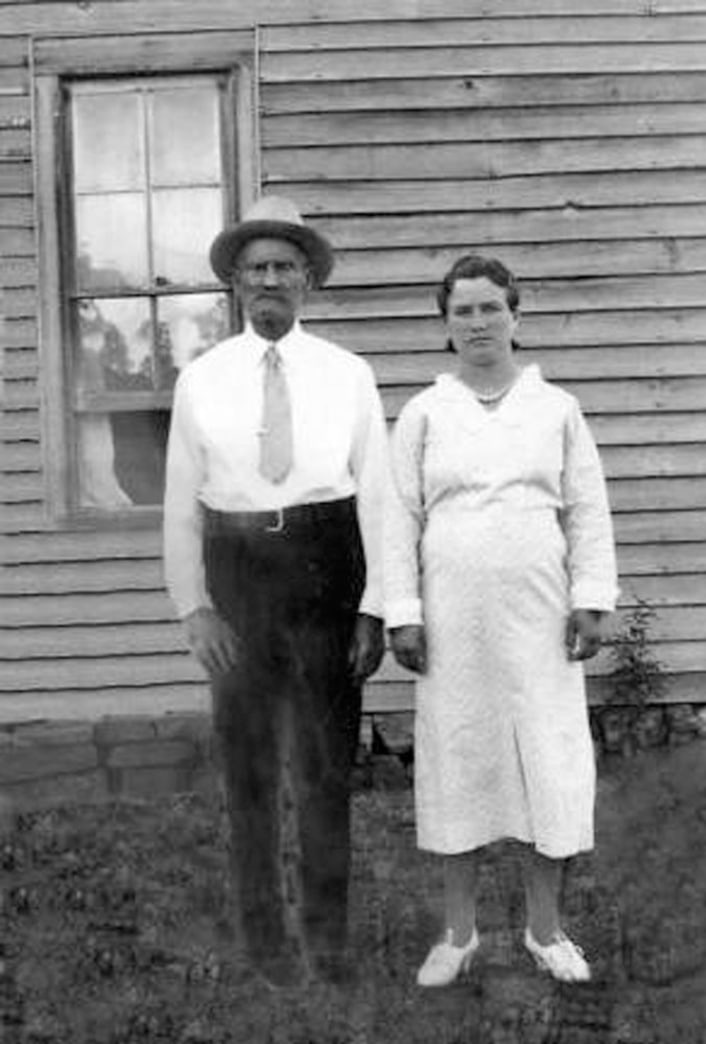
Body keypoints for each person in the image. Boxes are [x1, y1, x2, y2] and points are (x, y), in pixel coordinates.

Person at [163, 195, 388, 987]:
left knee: (327, 767)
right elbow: (181, 506)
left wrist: (375, 606)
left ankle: (327, 941)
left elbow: (380, 499)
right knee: (250, 766)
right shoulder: (201, 380)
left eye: (285, 268)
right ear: (234, 284)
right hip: (239, 572)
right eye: (255, 268)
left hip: (330, 565)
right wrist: (195, 608)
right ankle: (264, 941)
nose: (270, 281)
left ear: (308, 283)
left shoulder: (349, 376)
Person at [384, 254, 618, 987]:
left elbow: (586, 509)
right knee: (460, 759)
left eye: (491, 308)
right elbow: (396, 519)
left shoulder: (557, 409)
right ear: (445, 325)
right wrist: (404, 613)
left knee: (547, 759)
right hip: (453, 619)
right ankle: (459, 933)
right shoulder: (425, 413)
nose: (478, 323)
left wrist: (591, 596)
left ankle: (545, 930)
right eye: (463, 311)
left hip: (540, 617)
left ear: (516, 314)